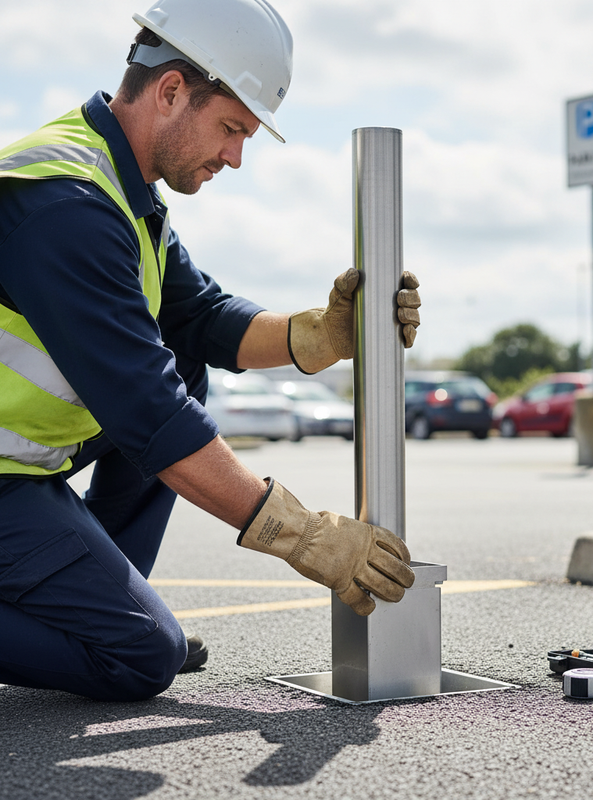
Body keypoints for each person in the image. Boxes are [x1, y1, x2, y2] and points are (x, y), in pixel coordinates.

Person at [0, 0, 421, 702]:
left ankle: (103, 604)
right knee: (138, 659)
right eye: (231, 128)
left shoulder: (120, 188)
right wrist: (304, 537)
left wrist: (322, 335)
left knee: (185, 363)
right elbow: (151, 415)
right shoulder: (65, 205)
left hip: (19, 469)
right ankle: (114, 629)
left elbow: (201, 320)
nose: (235, 156)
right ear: (170, 92)